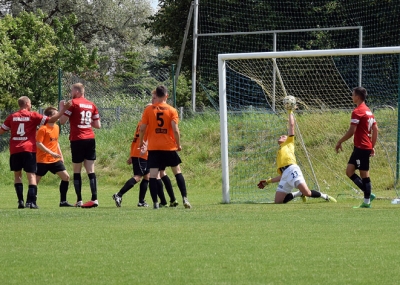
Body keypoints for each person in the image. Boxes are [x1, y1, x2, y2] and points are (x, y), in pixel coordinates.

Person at [0, 96, 71, 209]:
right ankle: (32, 202)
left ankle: (20, 202)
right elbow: (51, 119)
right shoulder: (32, 115)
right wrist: (64, 109)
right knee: (31, 176)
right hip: (29, 149)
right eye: (30, 103)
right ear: (27, 103)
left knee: (17, 176)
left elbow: (1, 131)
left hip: (15, 149)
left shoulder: (12, 117)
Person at [257, 106, 337, 204]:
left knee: (307, 192)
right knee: (278, 202)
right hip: (285, 174)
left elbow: (291, 125)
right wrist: (267, 181)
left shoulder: (289, 143)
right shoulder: (279, 152)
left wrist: (290, 111)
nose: (281, 136)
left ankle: (325, 196)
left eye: (283, 136)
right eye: (280, 136)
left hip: (292, 169)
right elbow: (282, 176)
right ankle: (299, 194)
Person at [139, 85, 191, 209]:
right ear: (166, 95)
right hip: (169, 147)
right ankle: (184, 198)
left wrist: (141, 142)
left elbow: (142, 128)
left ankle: (156, 203)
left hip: (154, 147)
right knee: (177, 172)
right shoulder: (172, 110)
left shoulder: (149, 110)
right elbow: (176, 130)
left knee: (153, 175)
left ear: (156, 95)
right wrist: (178, 145)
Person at [59, 83, 101, 208]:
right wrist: (86, 122)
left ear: (77, 91)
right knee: (91, 170)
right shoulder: (91, 104)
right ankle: (94, 199)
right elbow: (98, 125)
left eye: (72, 90)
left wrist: (62, 108)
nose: (71, 93)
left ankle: (79, 200)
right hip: (90, 138)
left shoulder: (73, 103)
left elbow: (62, 121)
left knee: (77, 170)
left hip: (77, 139)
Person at [335, 87, 378, 208]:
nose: (351, 96)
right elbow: (375, 130)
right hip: (361, 147)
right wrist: (372, 146)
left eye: (352, 94)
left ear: (357, 97)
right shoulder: (368, 111)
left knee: (364, 174)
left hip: (361, 147)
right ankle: (368, 195)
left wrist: (339, 141)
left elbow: (351, 131)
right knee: (349, 171)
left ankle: (367, 201)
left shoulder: (358, 111)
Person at [112, 110, 151, 208]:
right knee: (138, 177)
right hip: (141, 153)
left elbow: (136, 139)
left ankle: (141, 201)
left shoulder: (141, 123)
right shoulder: (147, 124)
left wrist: (132, 155)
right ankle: (119, 195)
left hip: (140, 153)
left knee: (147, 177)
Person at [36, 107, 73, 207]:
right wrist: (50, 152)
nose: (58, 116)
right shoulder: (43, 128)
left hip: (54, 159)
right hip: (42, 159)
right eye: (56, 114)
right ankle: (31, 201)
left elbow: (56, 142)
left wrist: (60, 154)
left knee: (66, 177)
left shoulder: (56, 127)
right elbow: (38, 143)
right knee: (35, 181)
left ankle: (63, 202)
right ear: (49, 116)